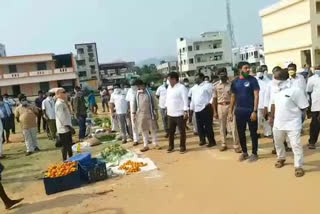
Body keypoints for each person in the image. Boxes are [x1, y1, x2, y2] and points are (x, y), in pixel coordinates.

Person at [270, 69, 308, 177]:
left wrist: (299, 121)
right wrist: (271, 117)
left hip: (293, 124)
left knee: (296, 145)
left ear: (282, 79)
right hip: (278, 123)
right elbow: (273, 104)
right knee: (278, 142)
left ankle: (298, 166)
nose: (273, 79)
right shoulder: (275, 90)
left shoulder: (296, 90)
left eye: (275, 77)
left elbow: (304, 107)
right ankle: (281, 158)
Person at [229, 62, 260, 162]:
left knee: (253, 133)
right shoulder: (235, 82)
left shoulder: (253, 80)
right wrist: (230, 112)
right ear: (240, 69)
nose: (248, 70)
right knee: (241, 133)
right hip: (239, 111)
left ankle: (254, 153)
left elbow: (256, 96)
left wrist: (254, 111)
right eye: (246, 68)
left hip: (250, 111)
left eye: (249, 68)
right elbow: (233, 97)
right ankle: (244, 152)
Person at [213, 68, 241, 153]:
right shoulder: (216, 85)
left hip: (230, 106)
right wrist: (215, 111)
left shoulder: (232, 84)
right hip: (220, 106)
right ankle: (223, 144)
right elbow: (214, 99)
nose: (222, 75)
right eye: (220, 74)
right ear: (218, 75)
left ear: (226, 73)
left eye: (223, 73)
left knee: (234, 126)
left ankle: (236, 145)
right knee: (222, 126)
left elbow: (235, 96)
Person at [133, 80, 160, 152]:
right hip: (141, 114)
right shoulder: (137, 94)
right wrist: (133, 114)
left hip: (150, 113)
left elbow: (154, 102)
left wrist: (156, 112)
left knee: (153, 129)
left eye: (139, 85)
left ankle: (155, 144)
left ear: (143, 85)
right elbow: (134, 104)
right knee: (144, 130)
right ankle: (146, 145)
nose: (138, 87)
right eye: (137, 86)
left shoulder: (149, 92)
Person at [190, 73, 216, 147]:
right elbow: (193, 99)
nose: (195, 79)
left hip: (206, 108)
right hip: (197, 109)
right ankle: (202, 140)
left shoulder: (208, 85)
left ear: (201, 78)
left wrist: (209, 103)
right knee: (199, 126)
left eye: (197, 77)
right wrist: (191, 109)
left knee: (208, 126)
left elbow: (213, 95)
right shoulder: (194, 88)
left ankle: (211, 141)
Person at [165, 72, 189, 154]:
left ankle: (182, 146)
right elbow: (167, 99)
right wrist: (166, 108)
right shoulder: (168, 88)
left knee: (182, 131)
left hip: (179, 113)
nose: (167, 81)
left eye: (169, 79)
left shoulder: (182, 88)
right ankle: (171, 146)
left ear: (174, 79)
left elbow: (185, 100)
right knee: (170, 131)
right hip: (170, 113)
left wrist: (186, 111)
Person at [55, 88, 74, 161]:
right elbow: (61, 117)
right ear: (58, 94)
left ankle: (71, 159)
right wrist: (69, 127)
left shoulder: (62, 102)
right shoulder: (59, 104)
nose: (65, 93)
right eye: (64, 92)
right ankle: (65, 160)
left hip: (66, 127)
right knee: (65, 146)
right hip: (64, 128)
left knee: (69, 144)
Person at [306, 65, 320, 149]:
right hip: (316, 105)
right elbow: (308, 90)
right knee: (315, 125)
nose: (318, 70)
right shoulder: (311, 79)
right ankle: (312, 142)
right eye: (317, 69)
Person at [256, 67, 272, 138]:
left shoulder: (268, 80)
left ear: (263, 72)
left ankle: (267, 133)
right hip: (258, 103)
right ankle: (256, 133)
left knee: (266, 119)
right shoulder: (254, 80)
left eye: (260, 71)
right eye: (258, 71)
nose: (259, 72)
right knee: (258, 119)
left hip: (266, 103)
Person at [126, 80, 140, 145]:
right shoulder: (129, 91)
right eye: (131, 85)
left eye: (134, 85)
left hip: (140, 110)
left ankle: (147, 139)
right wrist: (128, 109)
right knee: (134, 125)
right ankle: (136, 139)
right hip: (132, 110)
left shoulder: (140, 90)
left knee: (141, 124)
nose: (132, 86)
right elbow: (128, 101)